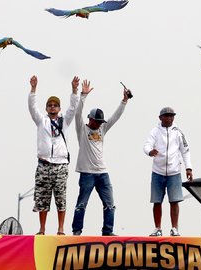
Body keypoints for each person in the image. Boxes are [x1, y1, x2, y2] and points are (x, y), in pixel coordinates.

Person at [71, 80, 131, 236]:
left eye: (100, 122)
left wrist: (124, 101)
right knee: (81, 204)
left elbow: (115, 117)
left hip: (102, 172)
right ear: (90, 119)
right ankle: (77, 231)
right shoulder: (82, 129)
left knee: (110, 204)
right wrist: (83, 95)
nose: (98, 124)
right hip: (87, 173)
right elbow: (78, 113)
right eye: (96, 122)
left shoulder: (103, 128)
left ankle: (108, 231)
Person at [28, 75, 79, 235]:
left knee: (60, 197)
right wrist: (33, 89)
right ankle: (42, 229)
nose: (52, 107)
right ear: (46, 108)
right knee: (42, 198)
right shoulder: (41, 121)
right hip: (43, 164)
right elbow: (32, 107)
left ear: (59, 108)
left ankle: (61, 228)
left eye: (55, 105)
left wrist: (74, 90)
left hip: (60, 164)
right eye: (49, 105)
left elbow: (73, 108)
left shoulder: (65, 121)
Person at [143, 107, 193, 237]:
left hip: (174, 171)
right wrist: (150, 151)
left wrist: (189, 168)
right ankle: (157, 228)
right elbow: (147, 145)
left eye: (172, 116)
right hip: (158, 171)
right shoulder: (155, 131)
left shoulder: (178, 132)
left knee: (174, 201)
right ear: (160, 118)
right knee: (157, 201)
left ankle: (174, 228)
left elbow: (185, 150)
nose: (169, 118)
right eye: (167, 116)